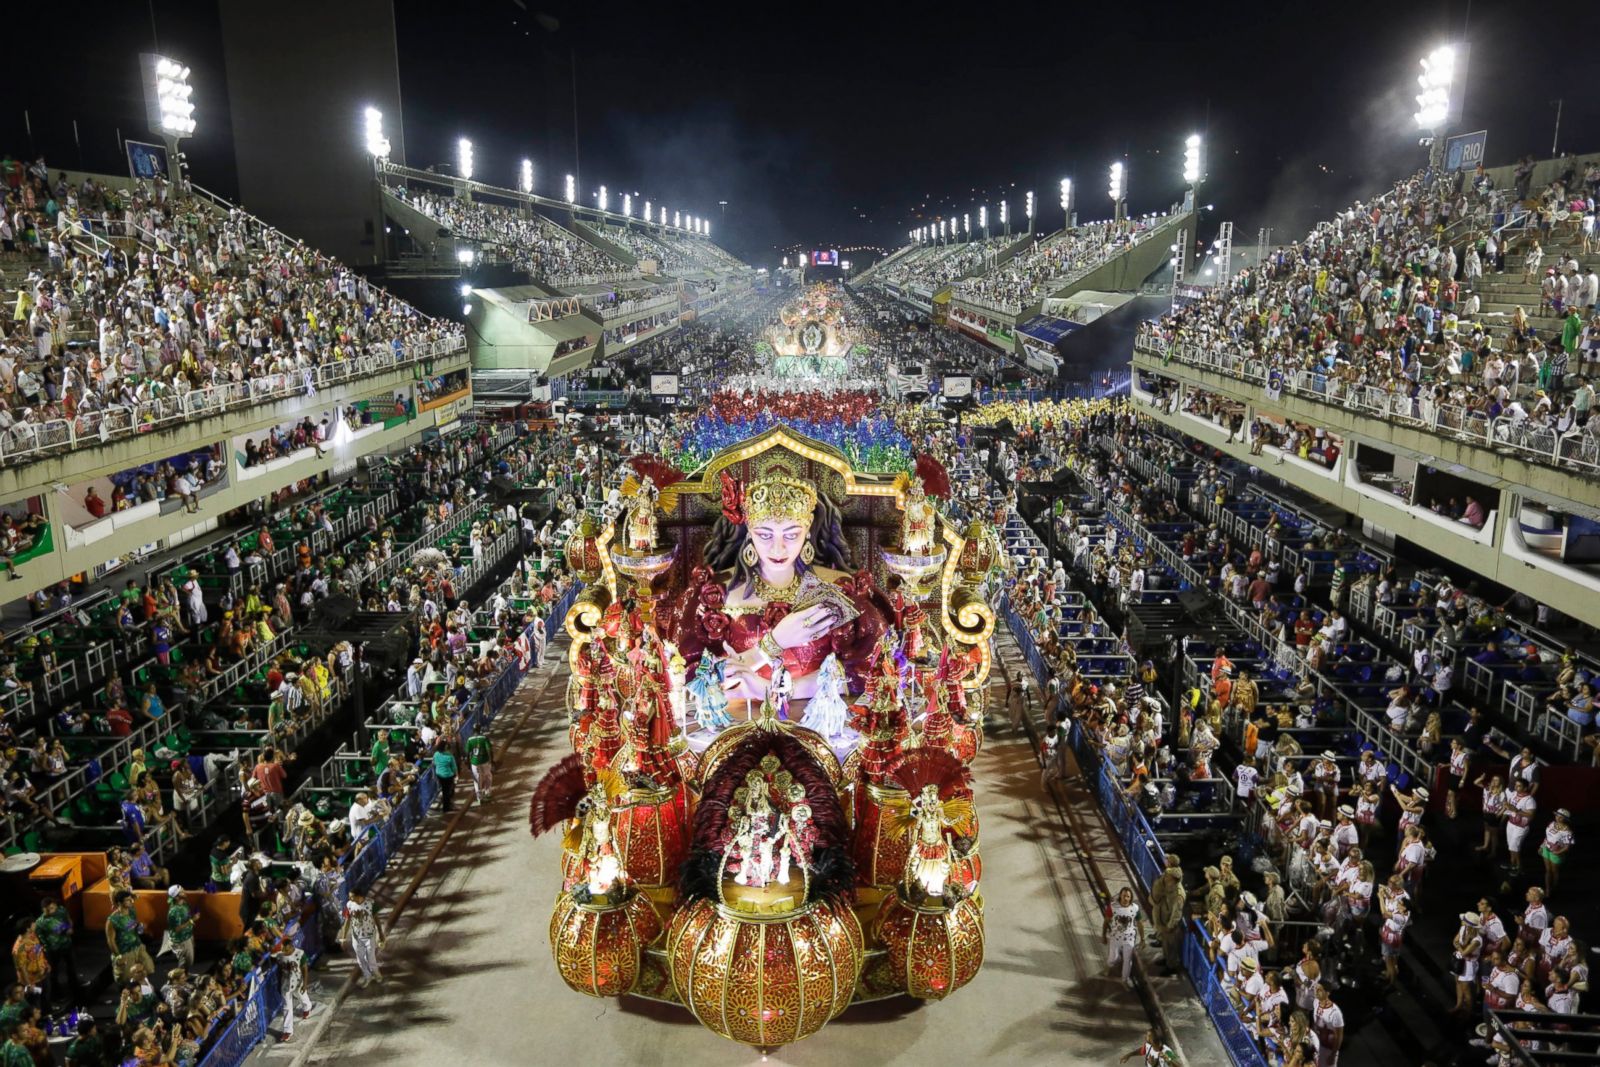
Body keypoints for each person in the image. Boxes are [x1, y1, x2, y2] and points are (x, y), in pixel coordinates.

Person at [106, 891, 155, 983]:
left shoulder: (132, 911)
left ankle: (142, 987)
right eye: (127, 900)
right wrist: (119, 956)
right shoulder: (112, 920)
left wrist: (140, 927)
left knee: (149, 968)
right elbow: (110, 940)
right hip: (125, 951)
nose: (131, 901)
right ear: (119, 903)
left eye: (130, 899)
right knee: (126, 980)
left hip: (137, 946)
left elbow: (134, 926)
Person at [33, 900, 78, 1000]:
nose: (50, 911)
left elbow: (69, 920)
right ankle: (56, 994)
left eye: (52, 908)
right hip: (52, 949)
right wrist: (44, 951)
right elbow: (39, 940)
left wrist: (70, 927)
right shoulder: (39, 923)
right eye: (47, 910)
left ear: (56, 906)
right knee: (53, 972)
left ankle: (75, 987)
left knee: (72, 967)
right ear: (42, 909)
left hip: (67, 944)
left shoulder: (62, 911)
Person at [1102, 885, 1144, 990]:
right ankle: (1109, 965)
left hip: (1129, 939)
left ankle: (1124, 979)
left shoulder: (1135, 908)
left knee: (1127, 960)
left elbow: (1139, 923)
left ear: (1131, 898)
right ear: (1120, 895)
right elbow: (1106, 921)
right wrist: (1103, 935)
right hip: (1115, 938)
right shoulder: (1112, 907)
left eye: (1128, 896)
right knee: (1113, 958)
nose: (1126, 898)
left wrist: (1142, 939)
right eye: (1124, 895)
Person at [340, 888, 385, 987]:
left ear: (359, 895)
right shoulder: (349, 905)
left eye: (352, 896)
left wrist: (381, 933)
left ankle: (376, 974)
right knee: (360, 959)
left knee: (370, 957)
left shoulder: (371, 903)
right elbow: (347, 922)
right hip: (356, 937)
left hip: (369, 936)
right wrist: (343, 939)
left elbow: (376, 918)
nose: (350, 898)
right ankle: (367, 977)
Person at [275, 939, 314, 1041]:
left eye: (285, 946)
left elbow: (305, 968)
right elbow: (279, 971)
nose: (283, 949)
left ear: (290, 945)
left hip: (297, 982)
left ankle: (307, 1007)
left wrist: (305, 984)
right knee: (287, 1007)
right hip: (285, 984)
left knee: (301, 995)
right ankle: (287, 1031)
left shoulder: (300, 953)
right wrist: (279, 984)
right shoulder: (279, 956)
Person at [1540, 807, 1574, 897]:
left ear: (1565, 819)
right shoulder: (1551, 824)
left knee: (1554, 871)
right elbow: (1547, 837)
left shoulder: (1567, 831)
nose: (1558, 818)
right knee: (1547, 870)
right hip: (1546, 849)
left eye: (1561, 817)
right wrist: (1542, 845)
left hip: (1556, 852)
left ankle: (1555, 886)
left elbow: (1567, 847)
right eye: (1557, 815)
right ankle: (1547, 889)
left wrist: (1558, 852)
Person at [164, 886, 195, 969]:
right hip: (181, 940)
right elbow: (177, 929)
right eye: (182, 891)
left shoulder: (183, 903)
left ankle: (185, 975)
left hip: (187, 935)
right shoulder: (175, 911)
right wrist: (192, 920)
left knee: (189, 961)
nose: (184, 891)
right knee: (186, 961)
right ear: (177, 897)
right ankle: (178, 978)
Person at [433, 731, 460, 813]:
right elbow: (454, 767)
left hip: (439, 775)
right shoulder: (449, 756)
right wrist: (457, 775)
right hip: (448, 776)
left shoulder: (436, 754)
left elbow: (434, 763)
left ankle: (447, 805)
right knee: (447, 792)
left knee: (445, 791)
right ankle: (446, 807)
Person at [465, 728, 493, 804]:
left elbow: (467, 753)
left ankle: (479, 797)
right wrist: (491, 760)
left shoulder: (470, 739)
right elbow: (489, 750)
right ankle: (487, 792)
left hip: (474, 762)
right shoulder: (484, 738)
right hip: (484, 761)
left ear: (473, 732)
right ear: (480, 731)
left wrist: (467, 763)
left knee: (476, 779)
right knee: (488, 776)